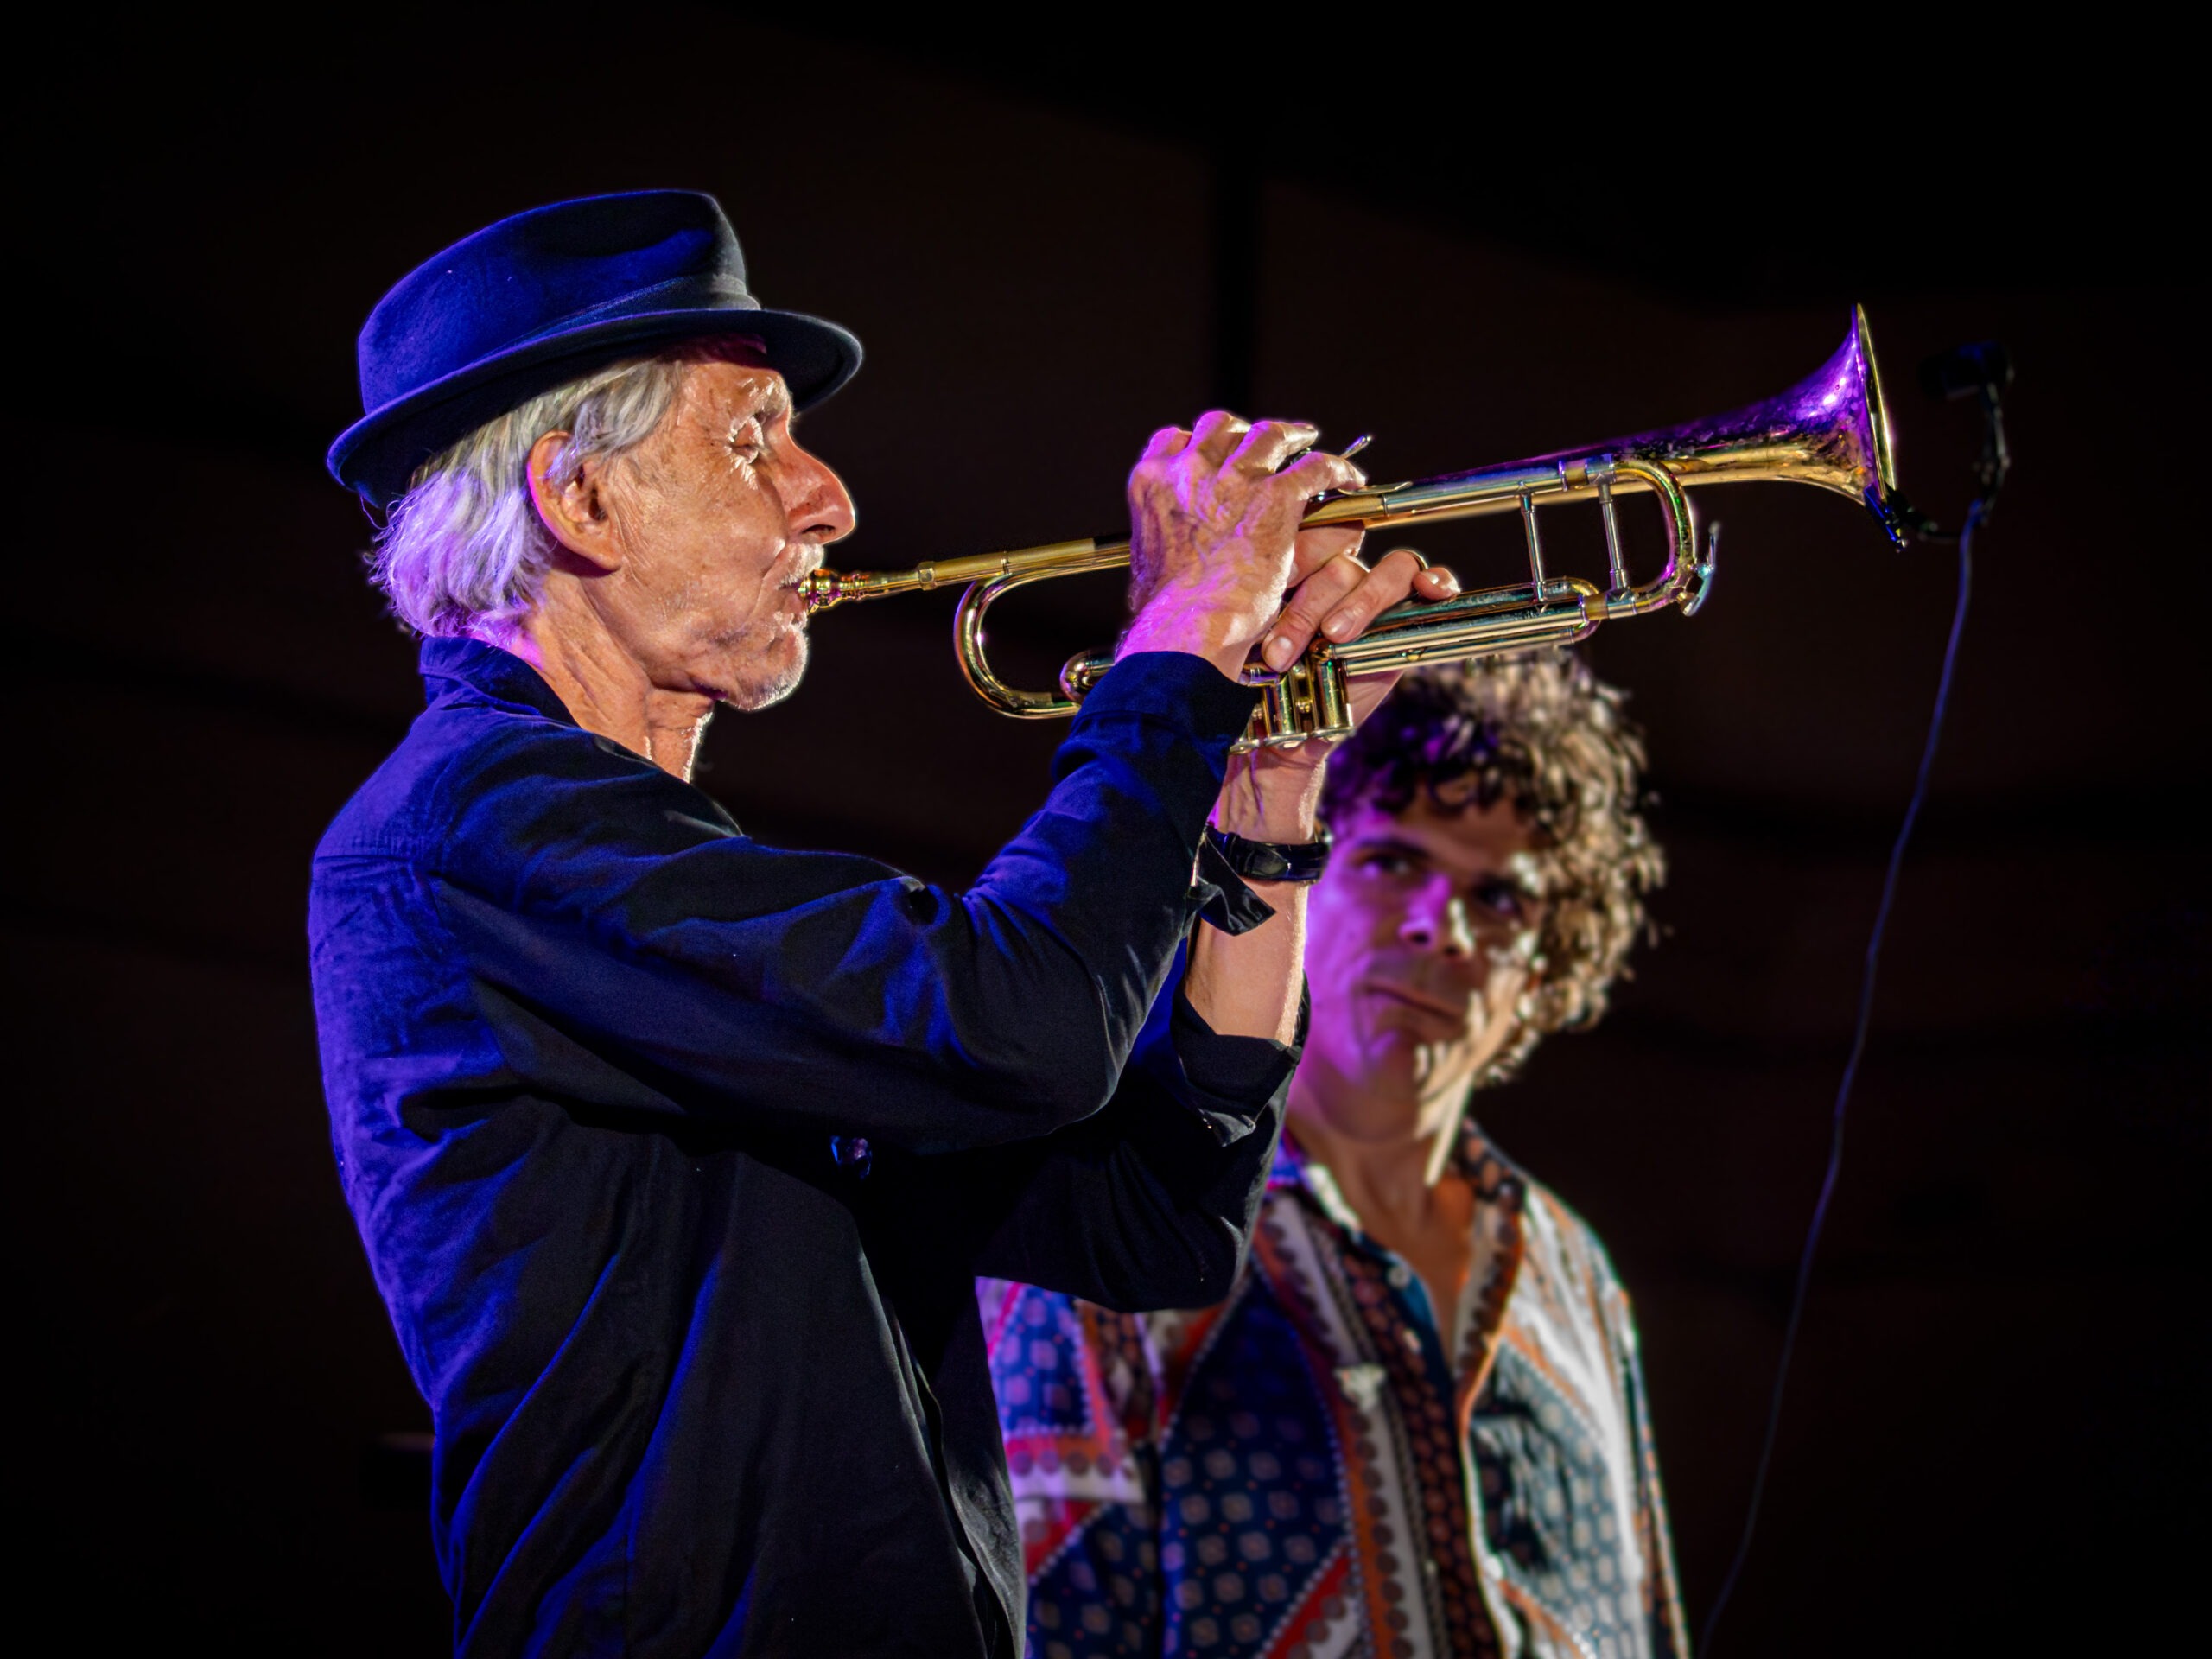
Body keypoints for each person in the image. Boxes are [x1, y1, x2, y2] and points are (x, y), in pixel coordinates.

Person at [307, 189, 1460, 1657]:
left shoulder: (637, 871)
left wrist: (1262, 808)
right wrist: (1175, 657)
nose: (829, 499)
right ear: (579, 502)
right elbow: (1025, 1026)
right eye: (752, 440)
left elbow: (1158, 1224)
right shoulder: (478, 827)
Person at [986, 658, 1688, 1659]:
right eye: (1394, 862)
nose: (1438, 926)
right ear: (1296, 880)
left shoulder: (1574, 1270)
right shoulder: (1115, 1227)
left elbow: (1646, 1616)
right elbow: (1048, 1618)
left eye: (1498, 898)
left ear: (1548, 965)